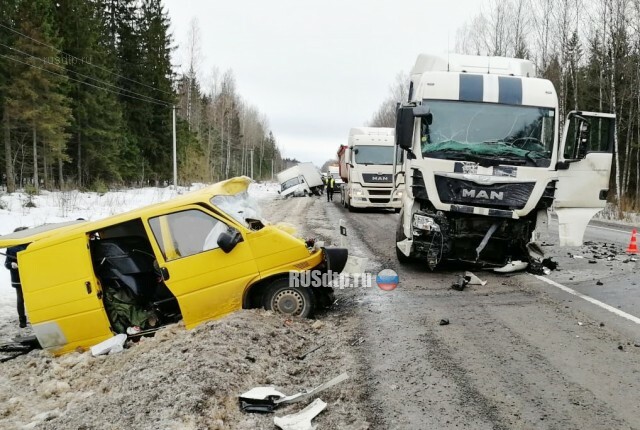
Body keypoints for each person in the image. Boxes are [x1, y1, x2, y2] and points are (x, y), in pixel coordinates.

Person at [4, 227, 29, 328]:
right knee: (20, 299)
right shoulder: (11, 248)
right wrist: (12, 264)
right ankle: (22, 320)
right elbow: (6, 264)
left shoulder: (30, 244)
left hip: (31, 276)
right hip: (18, 278)